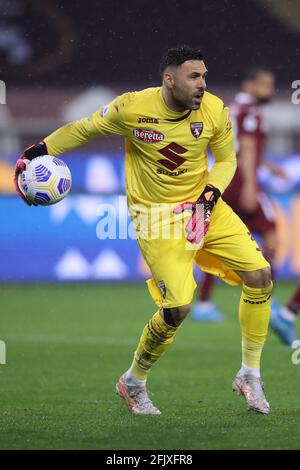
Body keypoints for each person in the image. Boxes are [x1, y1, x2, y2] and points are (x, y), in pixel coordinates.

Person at [15, 46, 273, 415]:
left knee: (260, 273)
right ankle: (134, 381)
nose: (202, 85)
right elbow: (84, 128)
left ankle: (250, 373)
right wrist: (37, 151)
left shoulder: (215, 110)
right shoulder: (131, 108)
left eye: (204, 76)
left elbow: (227, 159)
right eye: (193, 77)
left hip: (204, 206)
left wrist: (210, 193)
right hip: (155, 217)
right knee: (178, 307)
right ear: (169, 80)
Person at [192, 67, 286, 323]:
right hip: (243, 183)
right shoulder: (252, 113)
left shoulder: (234, 108)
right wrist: (251, 185)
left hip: (225, 182)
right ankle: (268, 299)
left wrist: (267, 165)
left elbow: (239, 149)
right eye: (265, 85)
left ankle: (204, 304)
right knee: (272, 238)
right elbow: (246, 147)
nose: (269, 90)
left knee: (216, 244)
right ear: (250, 85)